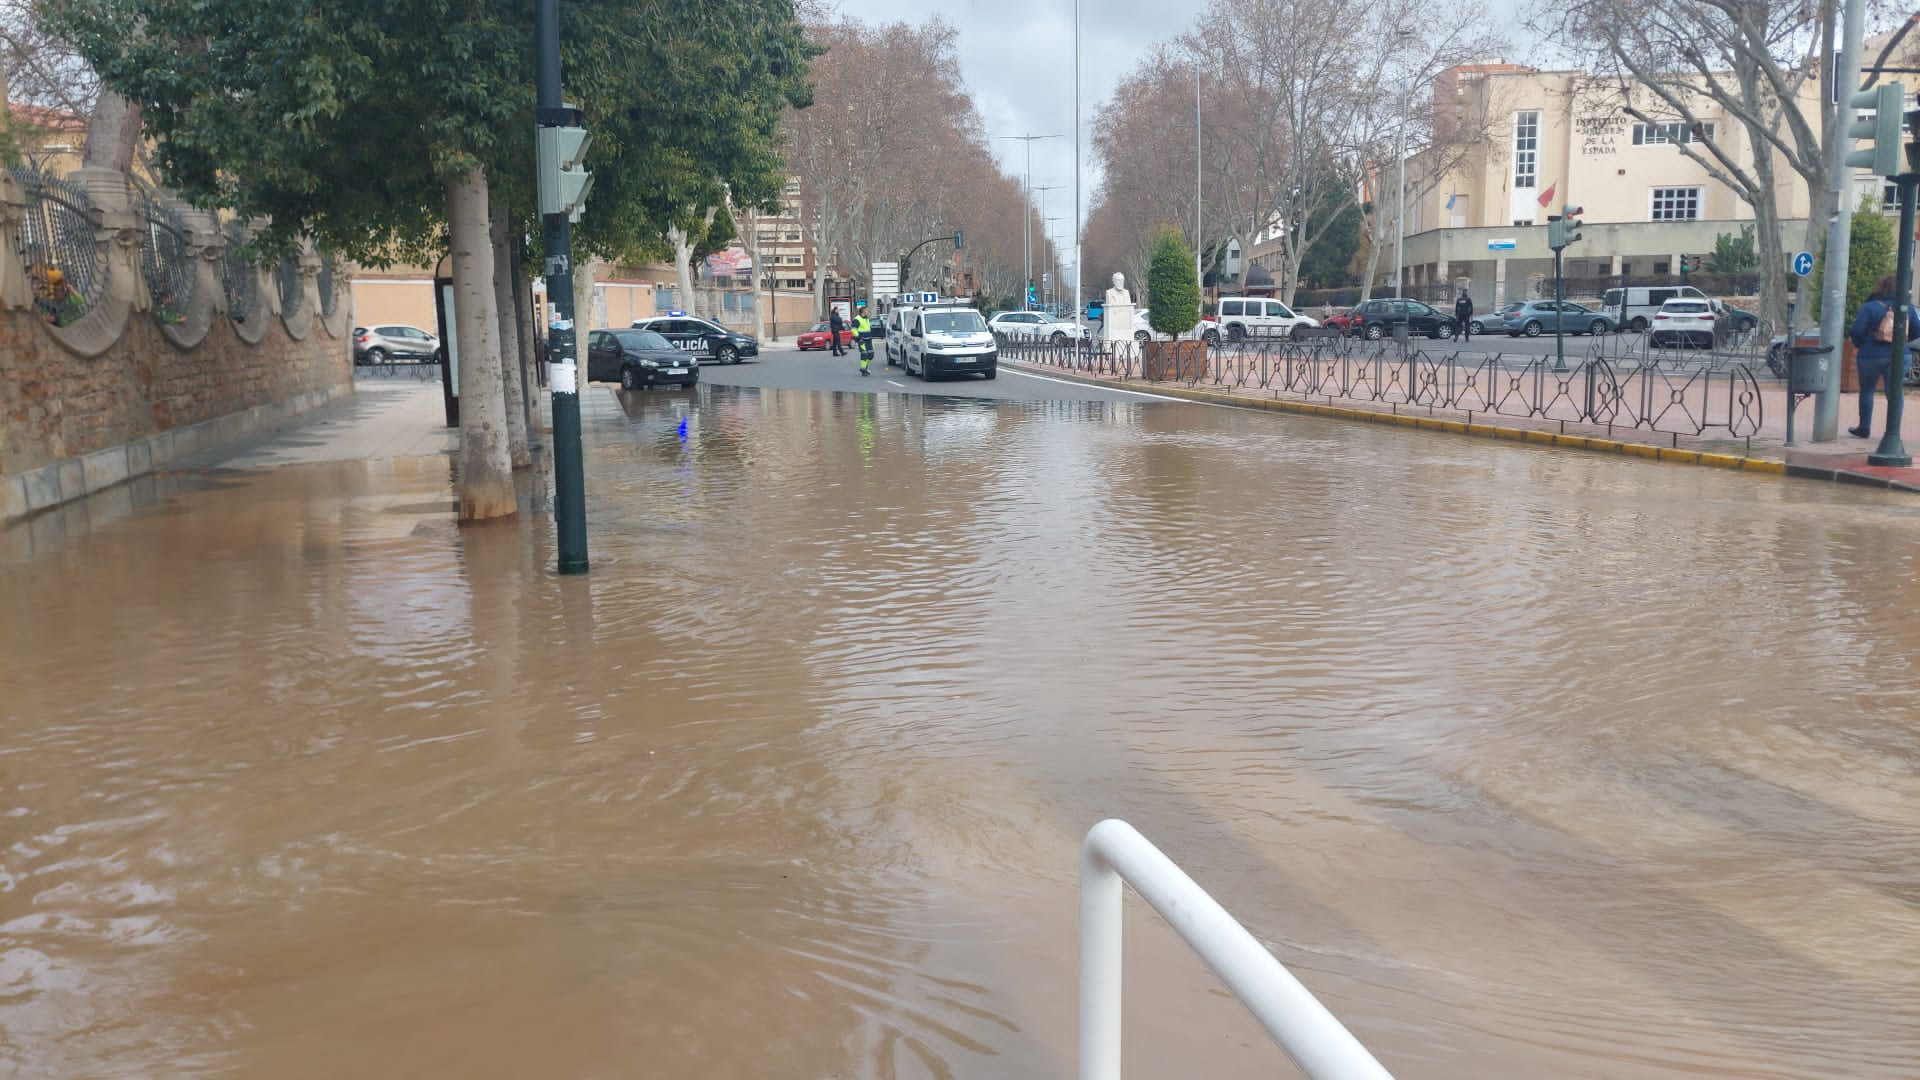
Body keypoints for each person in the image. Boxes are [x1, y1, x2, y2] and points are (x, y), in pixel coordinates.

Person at [1847, 276, 1919, 439]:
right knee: (1894, 392)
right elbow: (1917, 330)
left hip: (1871, 354)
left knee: (1867, 390)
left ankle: (1864, 427)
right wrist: (1902, 339)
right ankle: (1893, 431)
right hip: (1900, 355)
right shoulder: (1907, 308)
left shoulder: (1870, 307)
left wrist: (1862, 344)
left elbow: (1857, 331)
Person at [854, 310, 874, 375]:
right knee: (864, 354)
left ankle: (865, 368)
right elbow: (853, 329)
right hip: (862, 340)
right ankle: (863, 369)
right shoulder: (857, 319)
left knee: (871, 355)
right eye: (867, 310)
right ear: (863, 312)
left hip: (869, 339)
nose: (868, 312)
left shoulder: (866, 318)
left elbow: (868, 328)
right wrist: (858, 338)